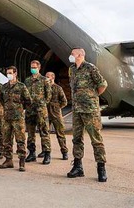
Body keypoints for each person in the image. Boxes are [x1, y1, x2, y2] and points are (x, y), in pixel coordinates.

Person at [67, 47, 108, 182]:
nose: (70, 56)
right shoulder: (71, 69)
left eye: (72, 54)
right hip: (77, 110)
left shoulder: (91, 68)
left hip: (90, 110)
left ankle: (101, 168)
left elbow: (102, 84)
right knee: (77, 139)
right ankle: (78, 167)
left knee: (96, 140)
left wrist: (92, 96)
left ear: (80, 55)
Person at [0, 66, 31, 172]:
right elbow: (2, 100)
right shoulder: (4, 87)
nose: (9, 75)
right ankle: (8, 160)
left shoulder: (21, 87)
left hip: (18, 118)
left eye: (10, 73)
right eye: (7, 73)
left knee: (20, 140)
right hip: (7, 117)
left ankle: (22, 161)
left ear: (15, 73)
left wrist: (20, 110)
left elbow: (28, 101)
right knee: (6, 140)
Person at [24, 60, 52, 165]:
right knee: (30, 133)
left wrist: (42, 104)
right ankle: (31, 153)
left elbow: (49, 95)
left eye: (34, 67)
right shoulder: (27, 81)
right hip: (30, 110)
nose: (33, 69)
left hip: (40, 110)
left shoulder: (45, 80)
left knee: (44, 132)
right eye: (31, 67)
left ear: (39, 68)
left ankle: (47, 153)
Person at [44, 72, 69, 160]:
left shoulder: (58, 88)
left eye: (48, 77)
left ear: (52, 77)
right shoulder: (44, 88)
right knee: (45, 133)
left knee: (60, 134)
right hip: (45, 113)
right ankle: (46, 151)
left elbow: (64, 102)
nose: (46, 78)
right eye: (45, 76)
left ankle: (64, 151)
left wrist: (57, 107)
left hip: (56, 114)